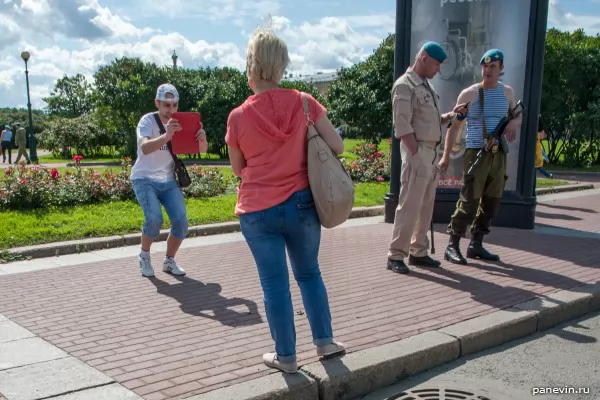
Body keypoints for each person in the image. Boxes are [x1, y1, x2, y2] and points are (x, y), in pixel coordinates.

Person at [225, 27, 346, 374]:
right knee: (309, 274)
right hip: (302, 205)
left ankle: (287, 358)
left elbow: (237, 168)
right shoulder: (306, 102)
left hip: (257, 212)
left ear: (251, 66)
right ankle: (324, 342)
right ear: (281, 66)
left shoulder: (238, 116)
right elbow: (336, 146)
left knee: (274, 284)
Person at [386, 41, 469, 274]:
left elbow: (429, 121)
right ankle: (396, 254)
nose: (438, 69)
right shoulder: (405, 85)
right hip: (418, 152)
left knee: (425, 206)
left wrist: (451, 116)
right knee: (409, 205)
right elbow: (401, 124)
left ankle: (418, 251)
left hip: (430, 152)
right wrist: (415, 153)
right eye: (436, 63)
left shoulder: (426, 87)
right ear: (423, 58)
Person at [439, 49, 522, 264]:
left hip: (499, 154)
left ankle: (476, 243)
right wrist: (445, 157)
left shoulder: (508, 93)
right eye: (485, 66)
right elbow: (454, 127)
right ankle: (452, 245)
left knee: (492, 202)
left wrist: (513, 123)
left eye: (493, 66)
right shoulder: (470, 94)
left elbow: (517, 115)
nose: (487, 70)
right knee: (469, 201)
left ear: (501, 68)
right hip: (476, 151)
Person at [130, 83, 208, 278]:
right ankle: (144, 255)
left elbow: (202, 150)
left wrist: (201, 139)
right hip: (144, 178)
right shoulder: (147, 121)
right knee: (155, 219)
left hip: (168, 180)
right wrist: (167, 135)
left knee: (181, 222)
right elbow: (146, 148)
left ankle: (169, 261)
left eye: (174, 105)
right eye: (166, 105)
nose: (171, 110)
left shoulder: (178, 122)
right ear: (157, 103)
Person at [535, 114, 553, 180]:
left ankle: (549, 175)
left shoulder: (536, 138)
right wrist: (546, 158)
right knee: (540, 169)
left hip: (536, 158)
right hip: (539, 158)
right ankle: (549, 175)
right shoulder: (538, 142)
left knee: (537, 169)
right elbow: (542, 150)